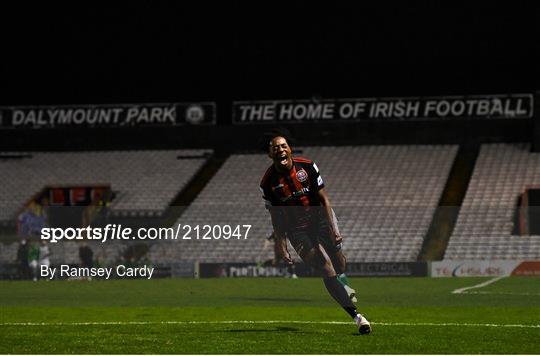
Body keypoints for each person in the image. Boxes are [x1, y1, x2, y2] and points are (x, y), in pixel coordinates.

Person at [260, 135, 371, 334]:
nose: (280, 149)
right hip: (297, 230)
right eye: (275, 148)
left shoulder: (308, 167)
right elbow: (276, 216)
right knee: (325, 266)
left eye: (284, 146)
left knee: (339, 264)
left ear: (290, 149)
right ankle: (357, 317)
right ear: (270, 154)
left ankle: (343, 283)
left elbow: (324, 199)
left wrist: (334, 228)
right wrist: (281, 244)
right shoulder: (268, 182)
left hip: (320, 219)